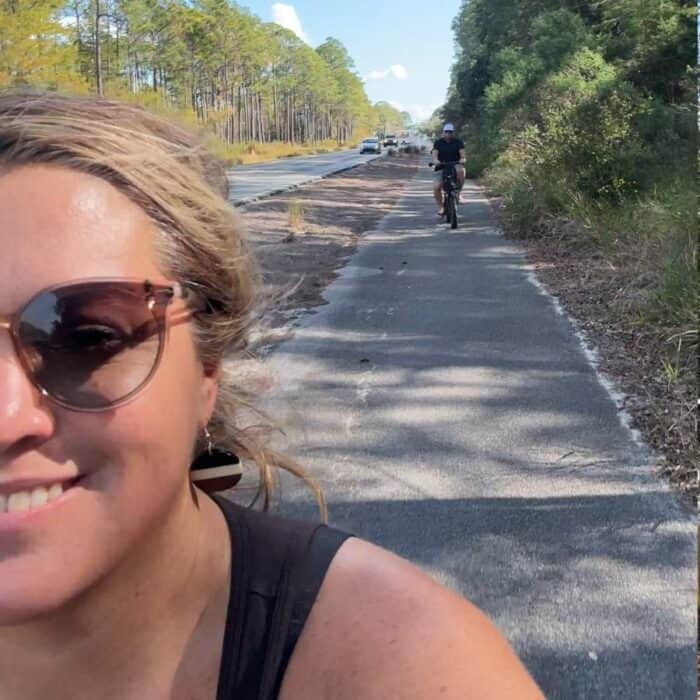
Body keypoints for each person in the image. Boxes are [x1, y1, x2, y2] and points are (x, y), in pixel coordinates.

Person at [0, 92, 544, 700]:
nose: (5, 419)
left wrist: (458, 161)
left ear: (208, 369)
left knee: (455, 180)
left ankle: (451, 199)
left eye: (86, 337)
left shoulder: (410, 663)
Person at [431, 123, 466, 216]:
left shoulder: (458, 142)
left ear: (453, 132)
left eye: (450, 132)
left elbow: (462, 154)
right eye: (446, 131)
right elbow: (434, 154)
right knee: (436, 187)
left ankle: (458, 193)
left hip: (454, 165)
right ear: (443, 132)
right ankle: (441, 207)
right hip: (441, 166)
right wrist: (435, 160)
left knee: (461, 171)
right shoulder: (438, 142)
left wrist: (462, 159)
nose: (448, 133)